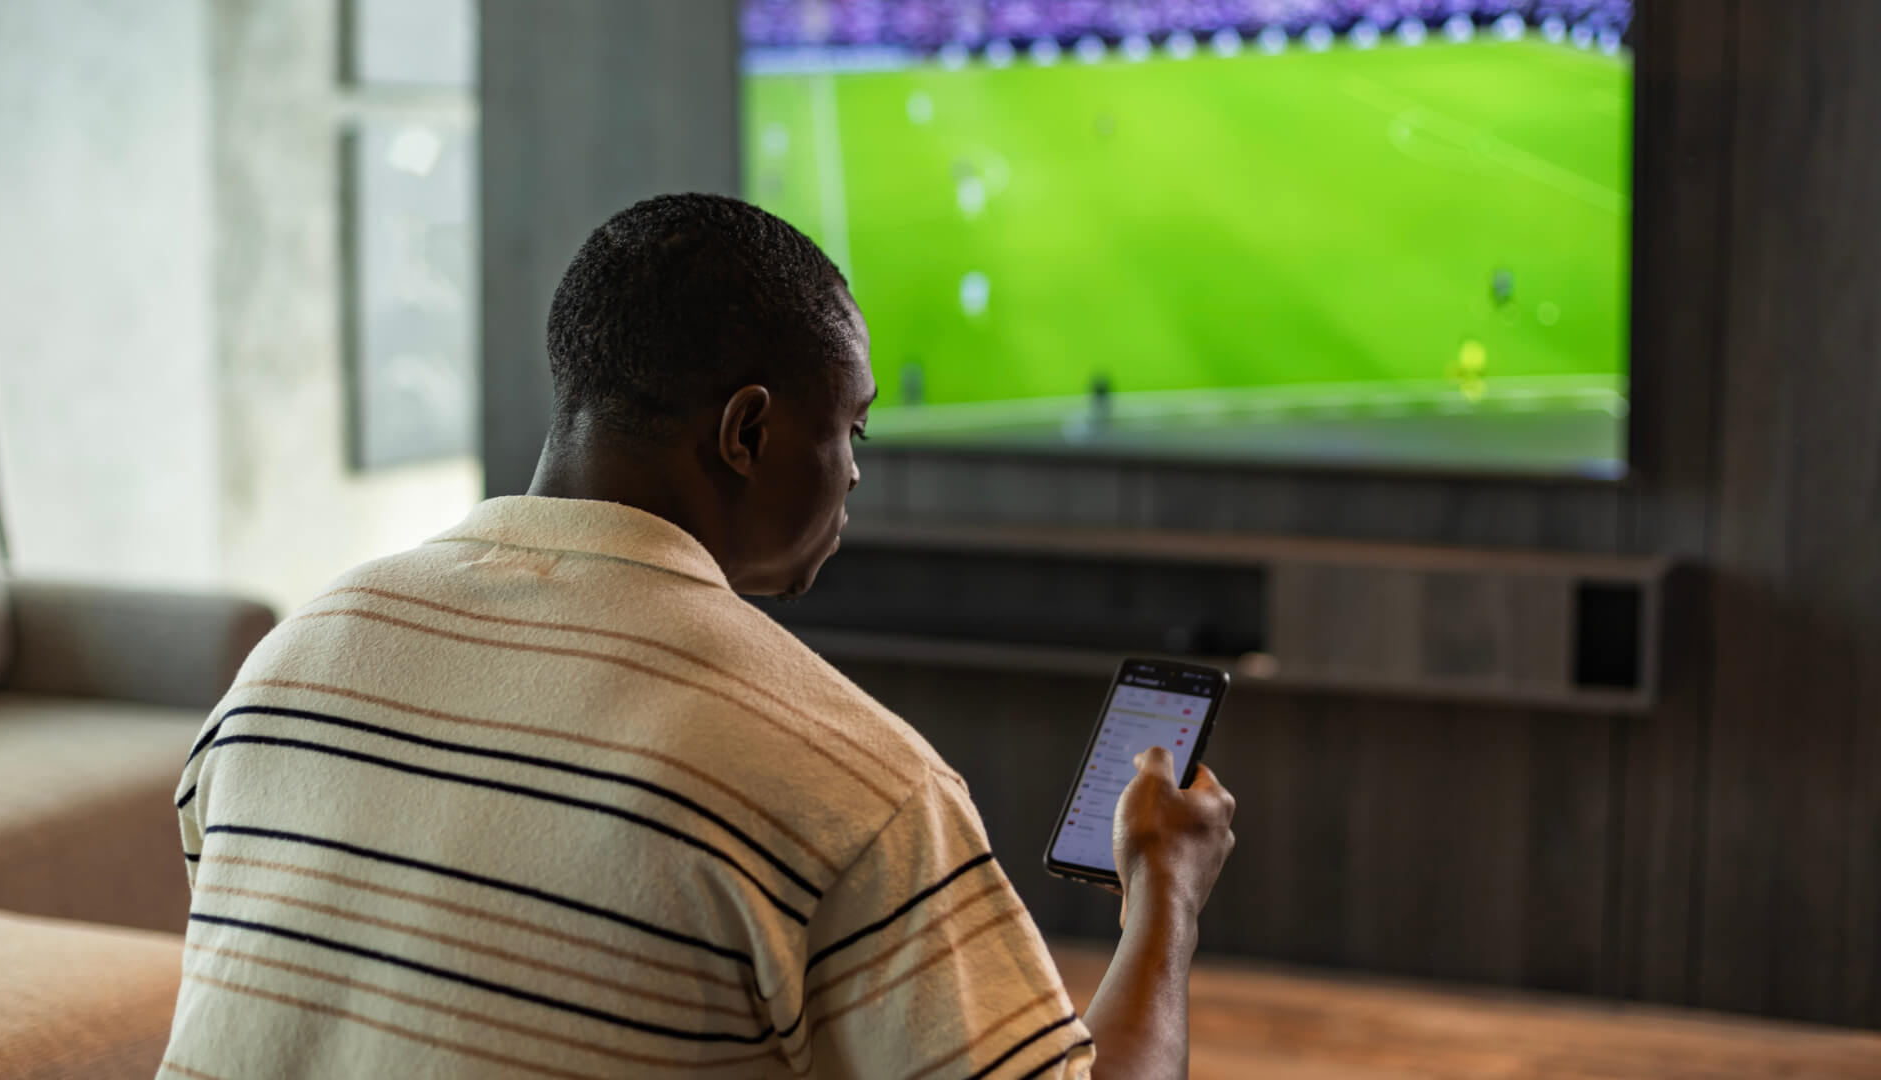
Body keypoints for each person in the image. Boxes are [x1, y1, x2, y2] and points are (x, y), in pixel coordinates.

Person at [159, 194, 1235, 1080]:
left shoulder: (284, 667)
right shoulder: (855, 787)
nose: (856, 471)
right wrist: (1163, 895)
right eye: (849, 429)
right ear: (749, 431)